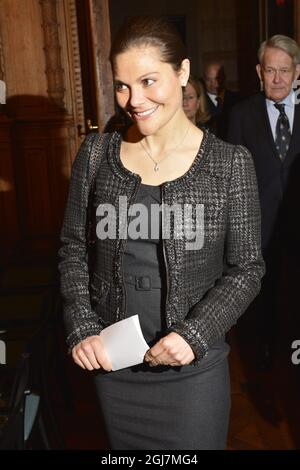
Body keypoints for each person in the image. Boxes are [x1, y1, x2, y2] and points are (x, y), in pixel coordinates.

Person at [59, 16, 264, 450]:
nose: (133, 100)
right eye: (122, 85)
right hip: (114, 368)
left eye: (148, 81)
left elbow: (247, 268)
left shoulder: (229, 164)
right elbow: (73, 248)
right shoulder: (97, 155)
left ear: (182, 72)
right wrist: (81, 326)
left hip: (192, 370)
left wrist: (194, 335)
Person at [227, 35, 300, 369]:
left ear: (297, 72)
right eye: (270, 70)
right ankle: (265, 359)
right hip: (259, 230)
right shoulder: (241, 116)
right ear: (259, 71)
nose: (277, 79)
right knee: (263, 301)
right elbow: (231, 179)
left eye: (284, 71)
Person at [203, 61, 241, 139]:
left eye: (216, 79)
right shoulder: (199, 102)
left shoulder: (238, 100)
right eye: (208, 80)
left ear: (224, 78)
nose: (213, 84)